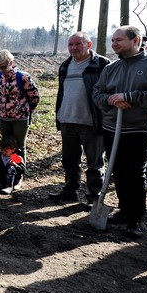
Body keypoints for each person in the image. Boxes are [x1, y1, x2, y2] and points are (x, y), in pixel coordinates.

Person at [92, 25, 147, 240]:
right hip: (112, 127)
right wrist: (110, 100)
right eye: (113, 40)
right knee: (117, 170)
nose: (114, 44)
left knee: (135, 172)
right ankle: (123, 211)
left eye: (119, 40)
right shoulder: (111, 68)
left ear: (136, 40)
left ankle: (135, 219)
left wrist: (131, 97)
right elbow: (97, 93)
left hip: (140, 129)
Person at [49, 32, 110, 204]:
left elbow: (109, 91)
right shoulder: (65, 65)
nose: (74, 48)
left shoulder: (102, 64)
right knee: (69, 160)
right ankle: (70, 190)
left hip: (92, 122)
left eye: (78, 44)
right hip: (68, 119)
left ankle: (95, 197)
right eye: (70, 45)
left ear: (89, 45)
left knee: (95, 163)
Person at [0, 49, 40, 167]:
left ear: (10, 63)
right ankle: (7, 170)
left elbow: (34, 96)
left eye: (3, 67)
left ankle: (19, 170)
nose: (1, 70)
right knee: (7, 145)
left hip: (20, 119)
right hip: (4, 117)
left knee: (18, 146)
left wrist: (27, 110)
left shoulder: (23, 77)